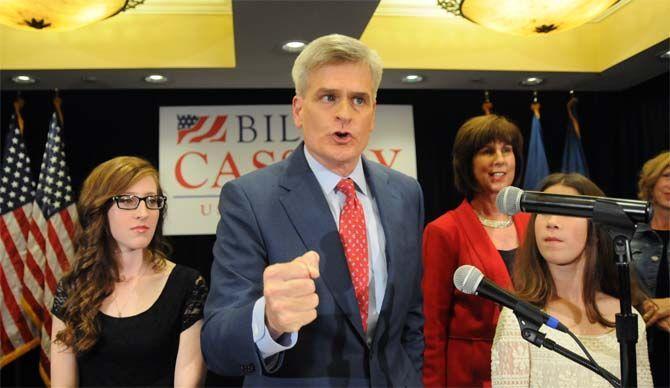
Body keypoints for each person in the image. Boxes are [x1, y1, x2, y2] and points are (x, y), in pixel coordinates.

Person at [200, 34, 424, 386]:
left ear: (373, 113)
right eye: (329, 97)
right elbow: (218, 347)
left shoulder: (406, 193)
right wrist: (269, 320)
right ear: (299, 110)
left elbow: (411, 317)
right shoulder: (250, 199)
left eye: (359, 100)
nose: (344, 114)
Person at [50, 156, 208, 387]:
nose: (143, 212)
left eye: (151, 200)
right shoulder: (73, 287)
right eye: (127, 200)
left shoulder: (187, 285)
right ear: (100, 209)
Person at [491, 173, 653, 387]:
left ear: (595, 228)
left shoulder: (627, 318)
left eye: (565, 212)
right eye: (544, 212)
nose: (552, 222)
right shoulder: (518, 319)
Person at [422, 114, 530, 387]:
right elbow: (432, 326)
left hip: (530, 370)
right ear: (467, 163)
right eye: (487, 151)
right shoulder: (444, 230)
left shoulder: (532, 223)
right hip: (472, 375)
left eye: (507, 150)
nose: (499, 159)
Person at [631, 151, 670, 387]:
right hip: (638, 348)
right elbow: (608, 283)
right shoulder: (627, 234)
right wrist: (645, 305)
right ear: (651, 181)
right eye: (666, 176)